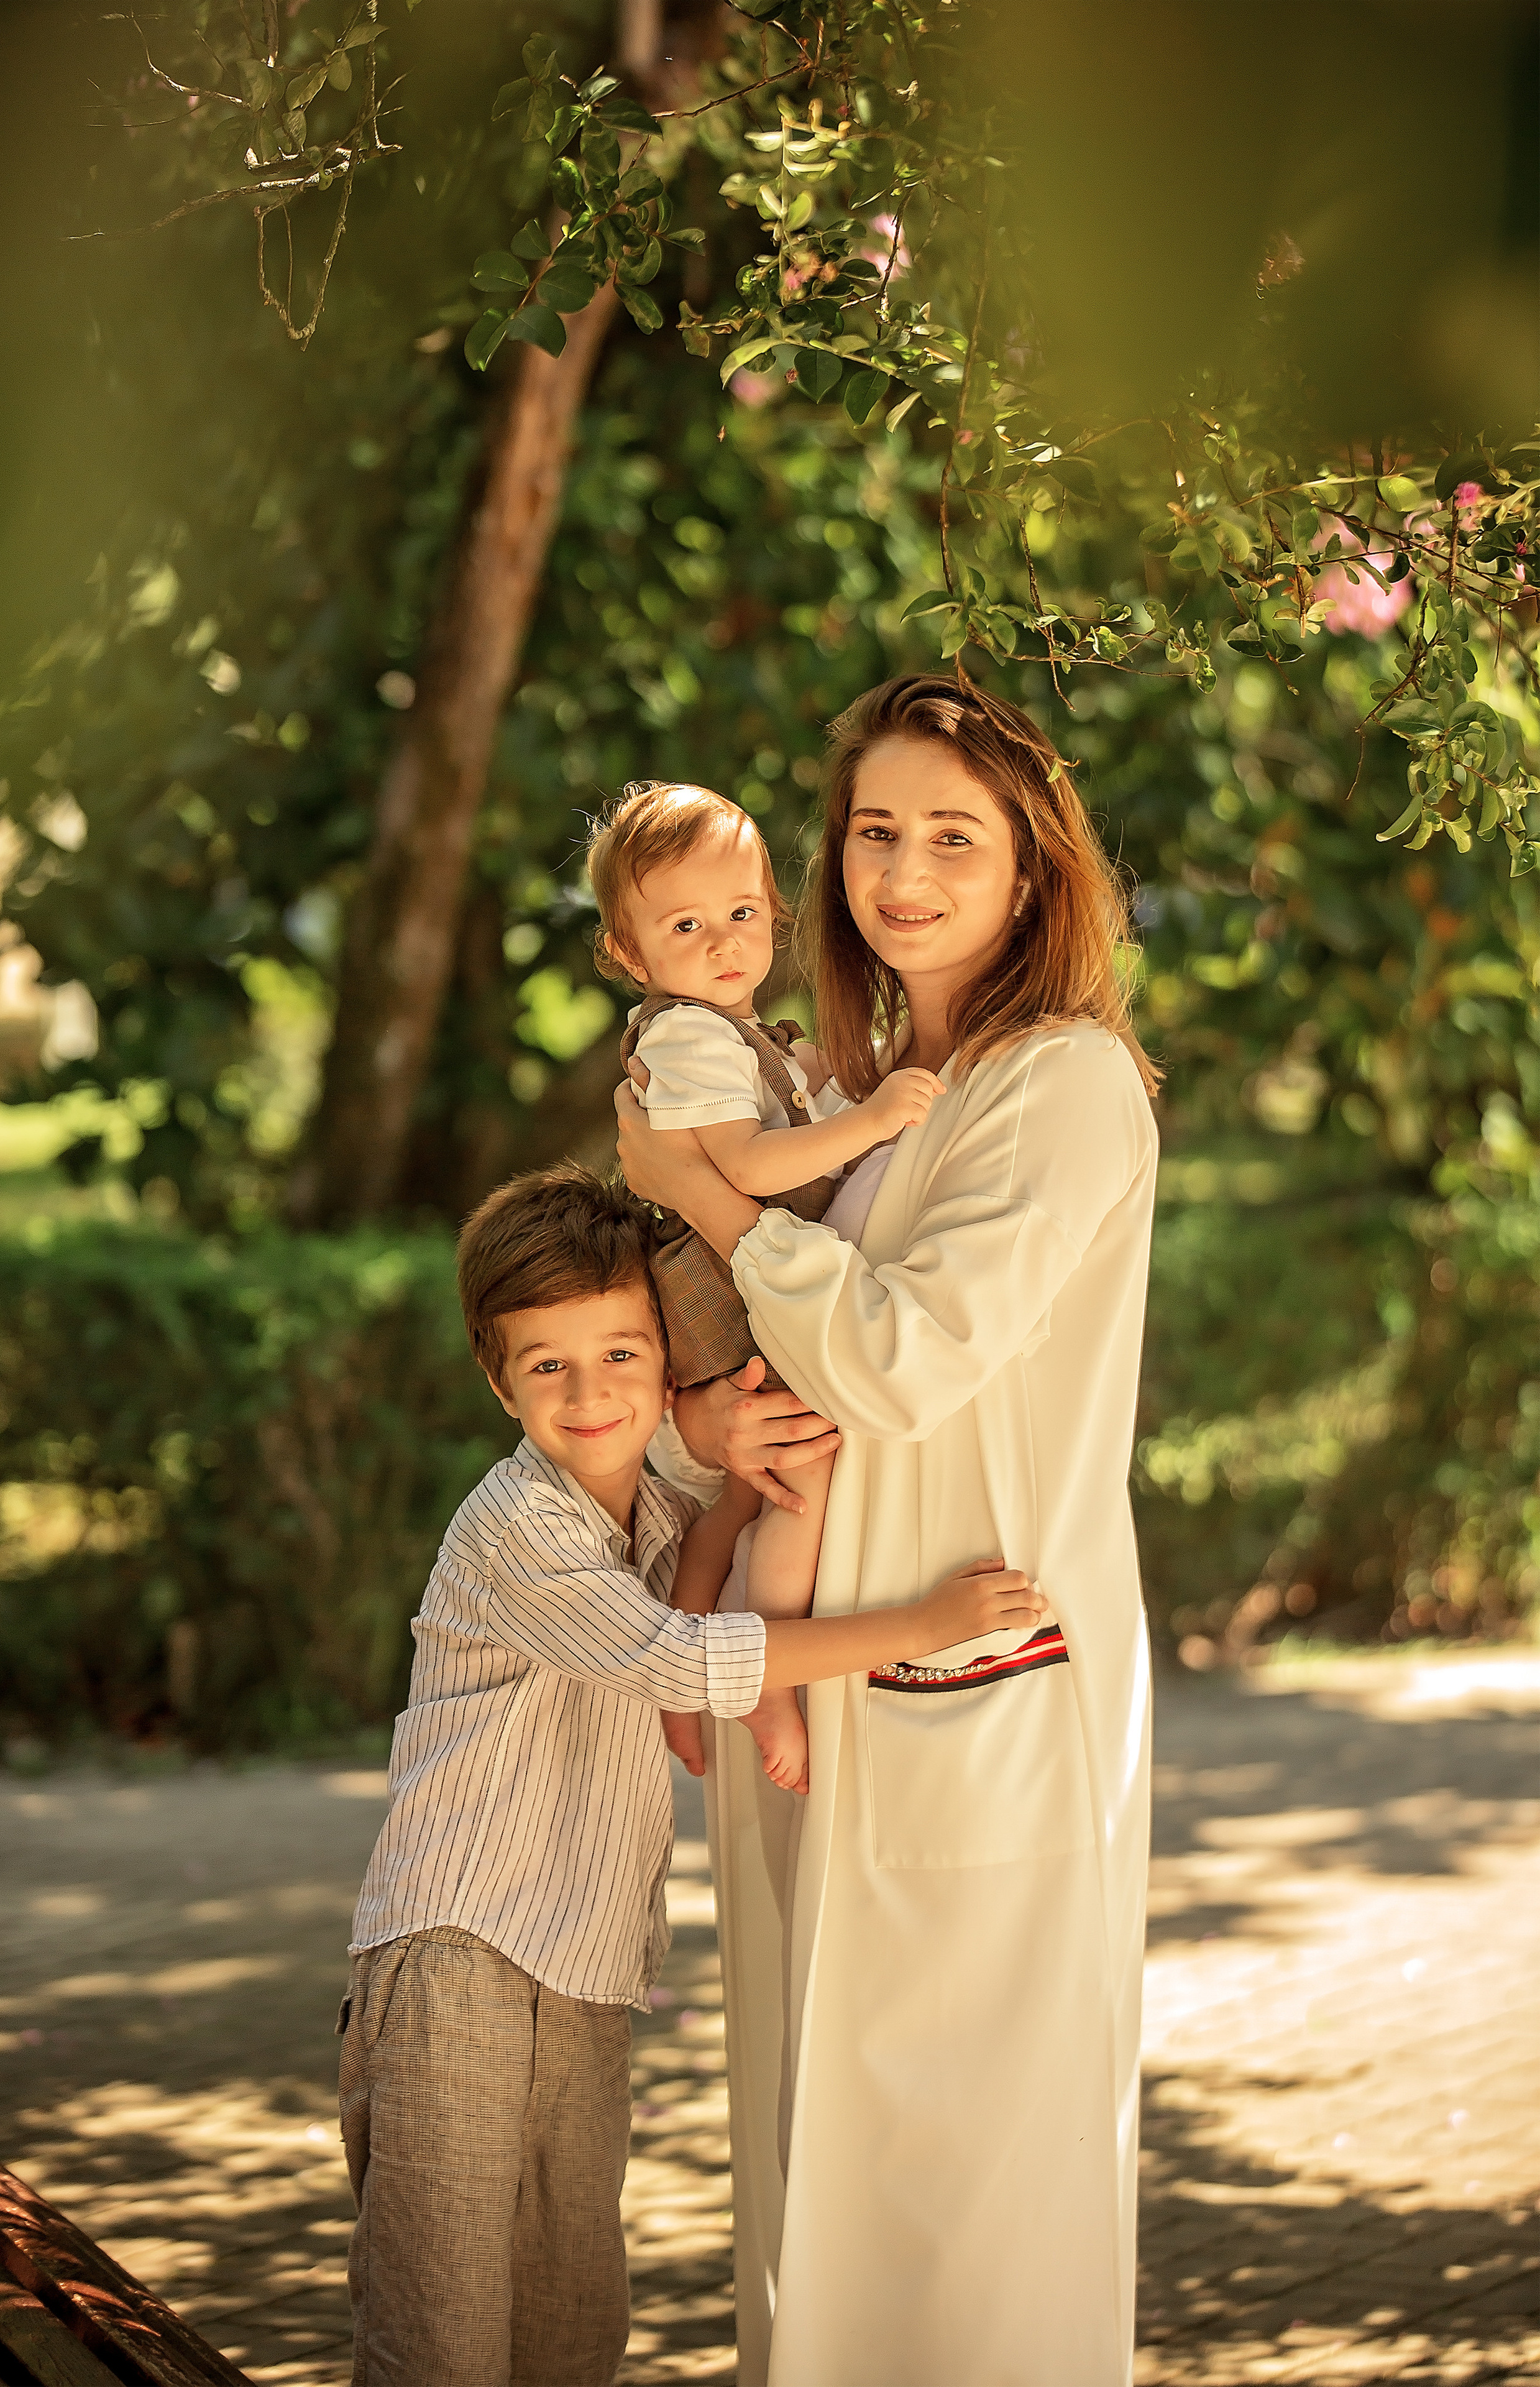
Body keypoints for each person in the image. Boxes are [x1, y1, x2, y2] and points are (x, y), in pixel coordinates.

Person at [617, 674, 1162, 2387]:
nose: (903, 871)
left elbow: (901, 1361)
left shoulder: (1061, 1087)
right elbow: (779, 1359)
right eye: (873, 832)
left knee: (968, 2202)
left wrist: (697, 1189)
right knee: (816, 2171)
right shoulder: (871, 1086)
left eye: (953, 835)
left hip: (975, 1679)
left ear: (1031, 869)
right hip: (823, 1689)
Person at [337, 1159, 1050, 2387]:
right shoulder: (518, 1524)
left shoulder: (647, 1508)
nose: (589, 1391)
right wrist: (921, 1625)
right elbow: (680, 1655)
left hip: (583, 1968)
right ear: (494, 1378)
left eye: (619, 1354)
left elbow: (698, 1562)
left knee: (571, 2325)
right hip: (452, 1955)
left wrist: (732, 1488)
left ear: (665, 1361)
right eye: (545, 1364)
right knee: (440, 2339)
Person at [586, 780, 942, 1796]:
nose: (721, 943)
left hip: (738, 1296)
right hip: (727, 1300)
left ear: (774, 915)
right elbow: (741, 1165)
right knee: (800, 1480)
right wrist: (866, 1124)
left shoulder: (747, 1036)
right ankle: (767, 1672)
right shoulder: (688, 1036)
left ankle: (684, 1661)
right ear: (628, 953)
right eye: (684, 925)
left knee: (737, 1504)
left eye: (741, 914)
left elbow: (788, 1121)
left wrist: (834, 1086)